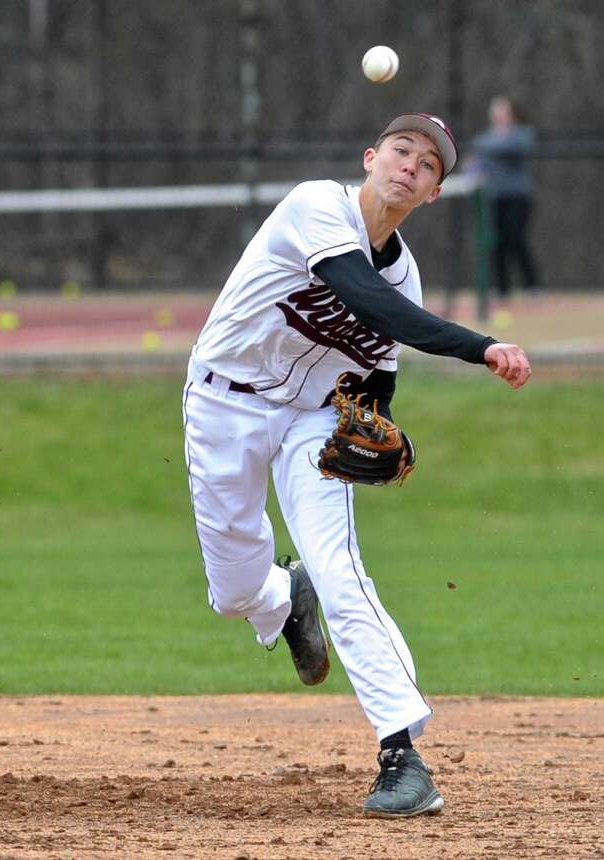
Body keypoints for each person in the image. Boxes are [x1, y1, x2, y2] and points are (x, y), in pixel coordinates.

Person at [182, 113, 531, 818]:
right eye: (401, 151)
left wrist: (379, 427)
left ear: (433, 193)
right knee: (232, 592)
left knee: (343, 570)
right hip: (226, 403)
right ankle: (284, 600)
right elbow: (367, 300)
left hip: (312, 418)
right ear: (371, 158)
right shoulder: (316, 206)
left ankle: (403, 758)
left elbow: (375, 380)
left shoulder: (405, 272)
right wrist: (479, 346)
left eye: (428, 164)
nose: (411, 165)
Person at [472, 96, 541, 300]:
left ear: (511, 114)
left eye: (503, 111)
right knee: (496, 242)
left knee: (516, 239)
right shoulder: (486, 138)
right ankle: (502, 289)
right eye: (496, 111)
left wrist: (487, 148)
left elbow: (512, 147)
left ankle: (532, 286)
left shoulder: (522, 134)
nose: (499, 115)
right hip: (494, 198)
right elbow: (478, 154)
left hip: (518, 198)